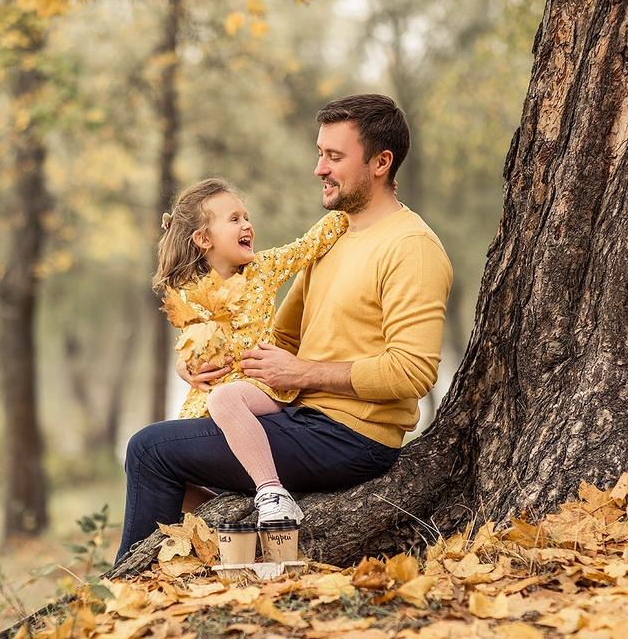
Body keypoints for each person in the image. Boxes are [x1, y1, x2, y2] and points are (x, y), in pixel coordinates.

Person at [115, 93, 453, 565]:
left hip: (350, 435)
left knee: (150, 450)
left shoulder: (410, 246)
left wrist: (303, 374)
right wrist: (204, 363)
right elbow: (282, 343)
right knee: (175, 443)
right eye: (320, 153)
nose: (320, 168)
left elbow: (412, 373)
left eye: (334, 157)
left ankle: (125, 594)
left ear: (381, 162)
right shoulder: (334, 238)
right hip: (298, 417)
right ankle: (176, 575)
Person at [154, 177, 350, 527]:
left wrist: (348, 207)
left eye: (246, 217)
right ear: (203, 239)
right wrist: (184, 366)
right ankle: (227, 517)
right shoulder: (189, 293)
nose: (247, 225)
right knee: (171, 459)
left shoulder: (262, 269)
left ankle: (273, 493)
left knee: (226, 400)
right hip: (211, 395)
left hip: (262, 384)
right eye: (234, 219)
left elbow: (308, 246)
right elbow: (191, 343)